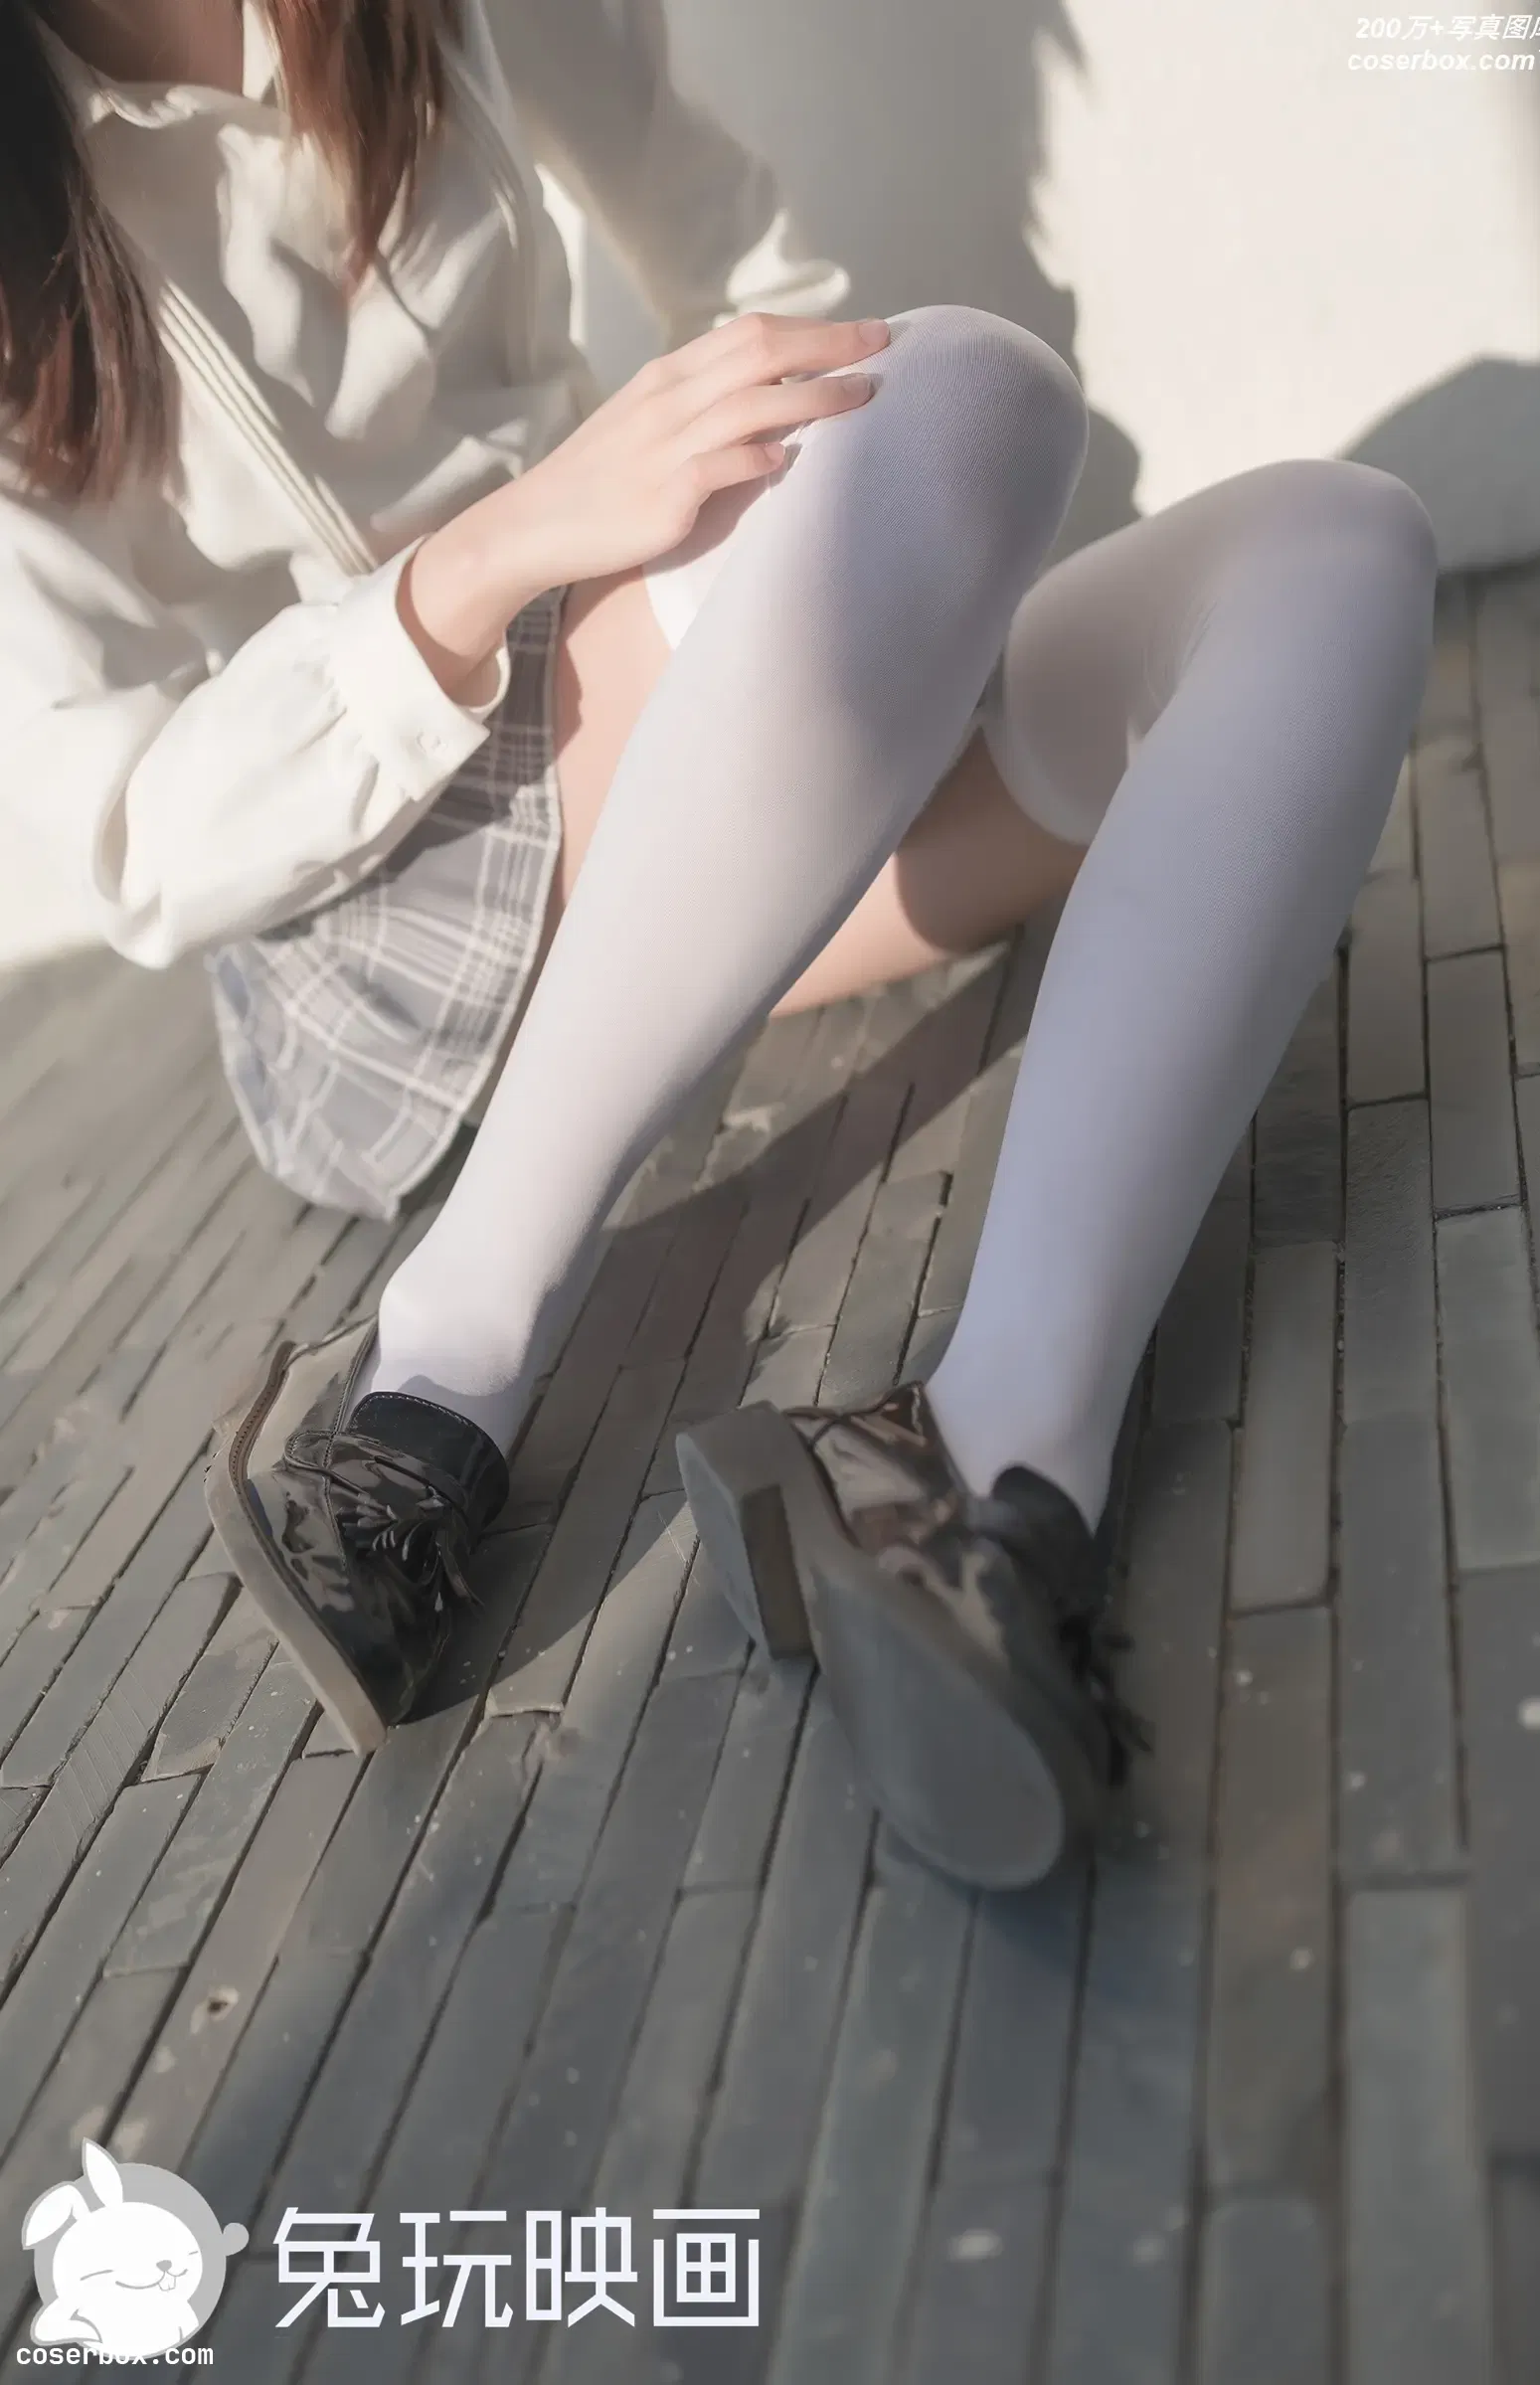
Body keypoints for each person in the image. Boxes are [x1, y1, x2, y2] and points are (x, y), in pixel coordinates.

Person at [0, 0, 1438, 1891]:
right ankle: (437, 1366)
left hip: (687, 787)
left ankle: (997, 1464)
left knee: (1340, 548)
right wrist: (494, 554)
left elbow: (748, 277)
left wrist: (874, 584)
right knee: (972, 394)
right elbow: (129, 836)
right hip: (360, 935)